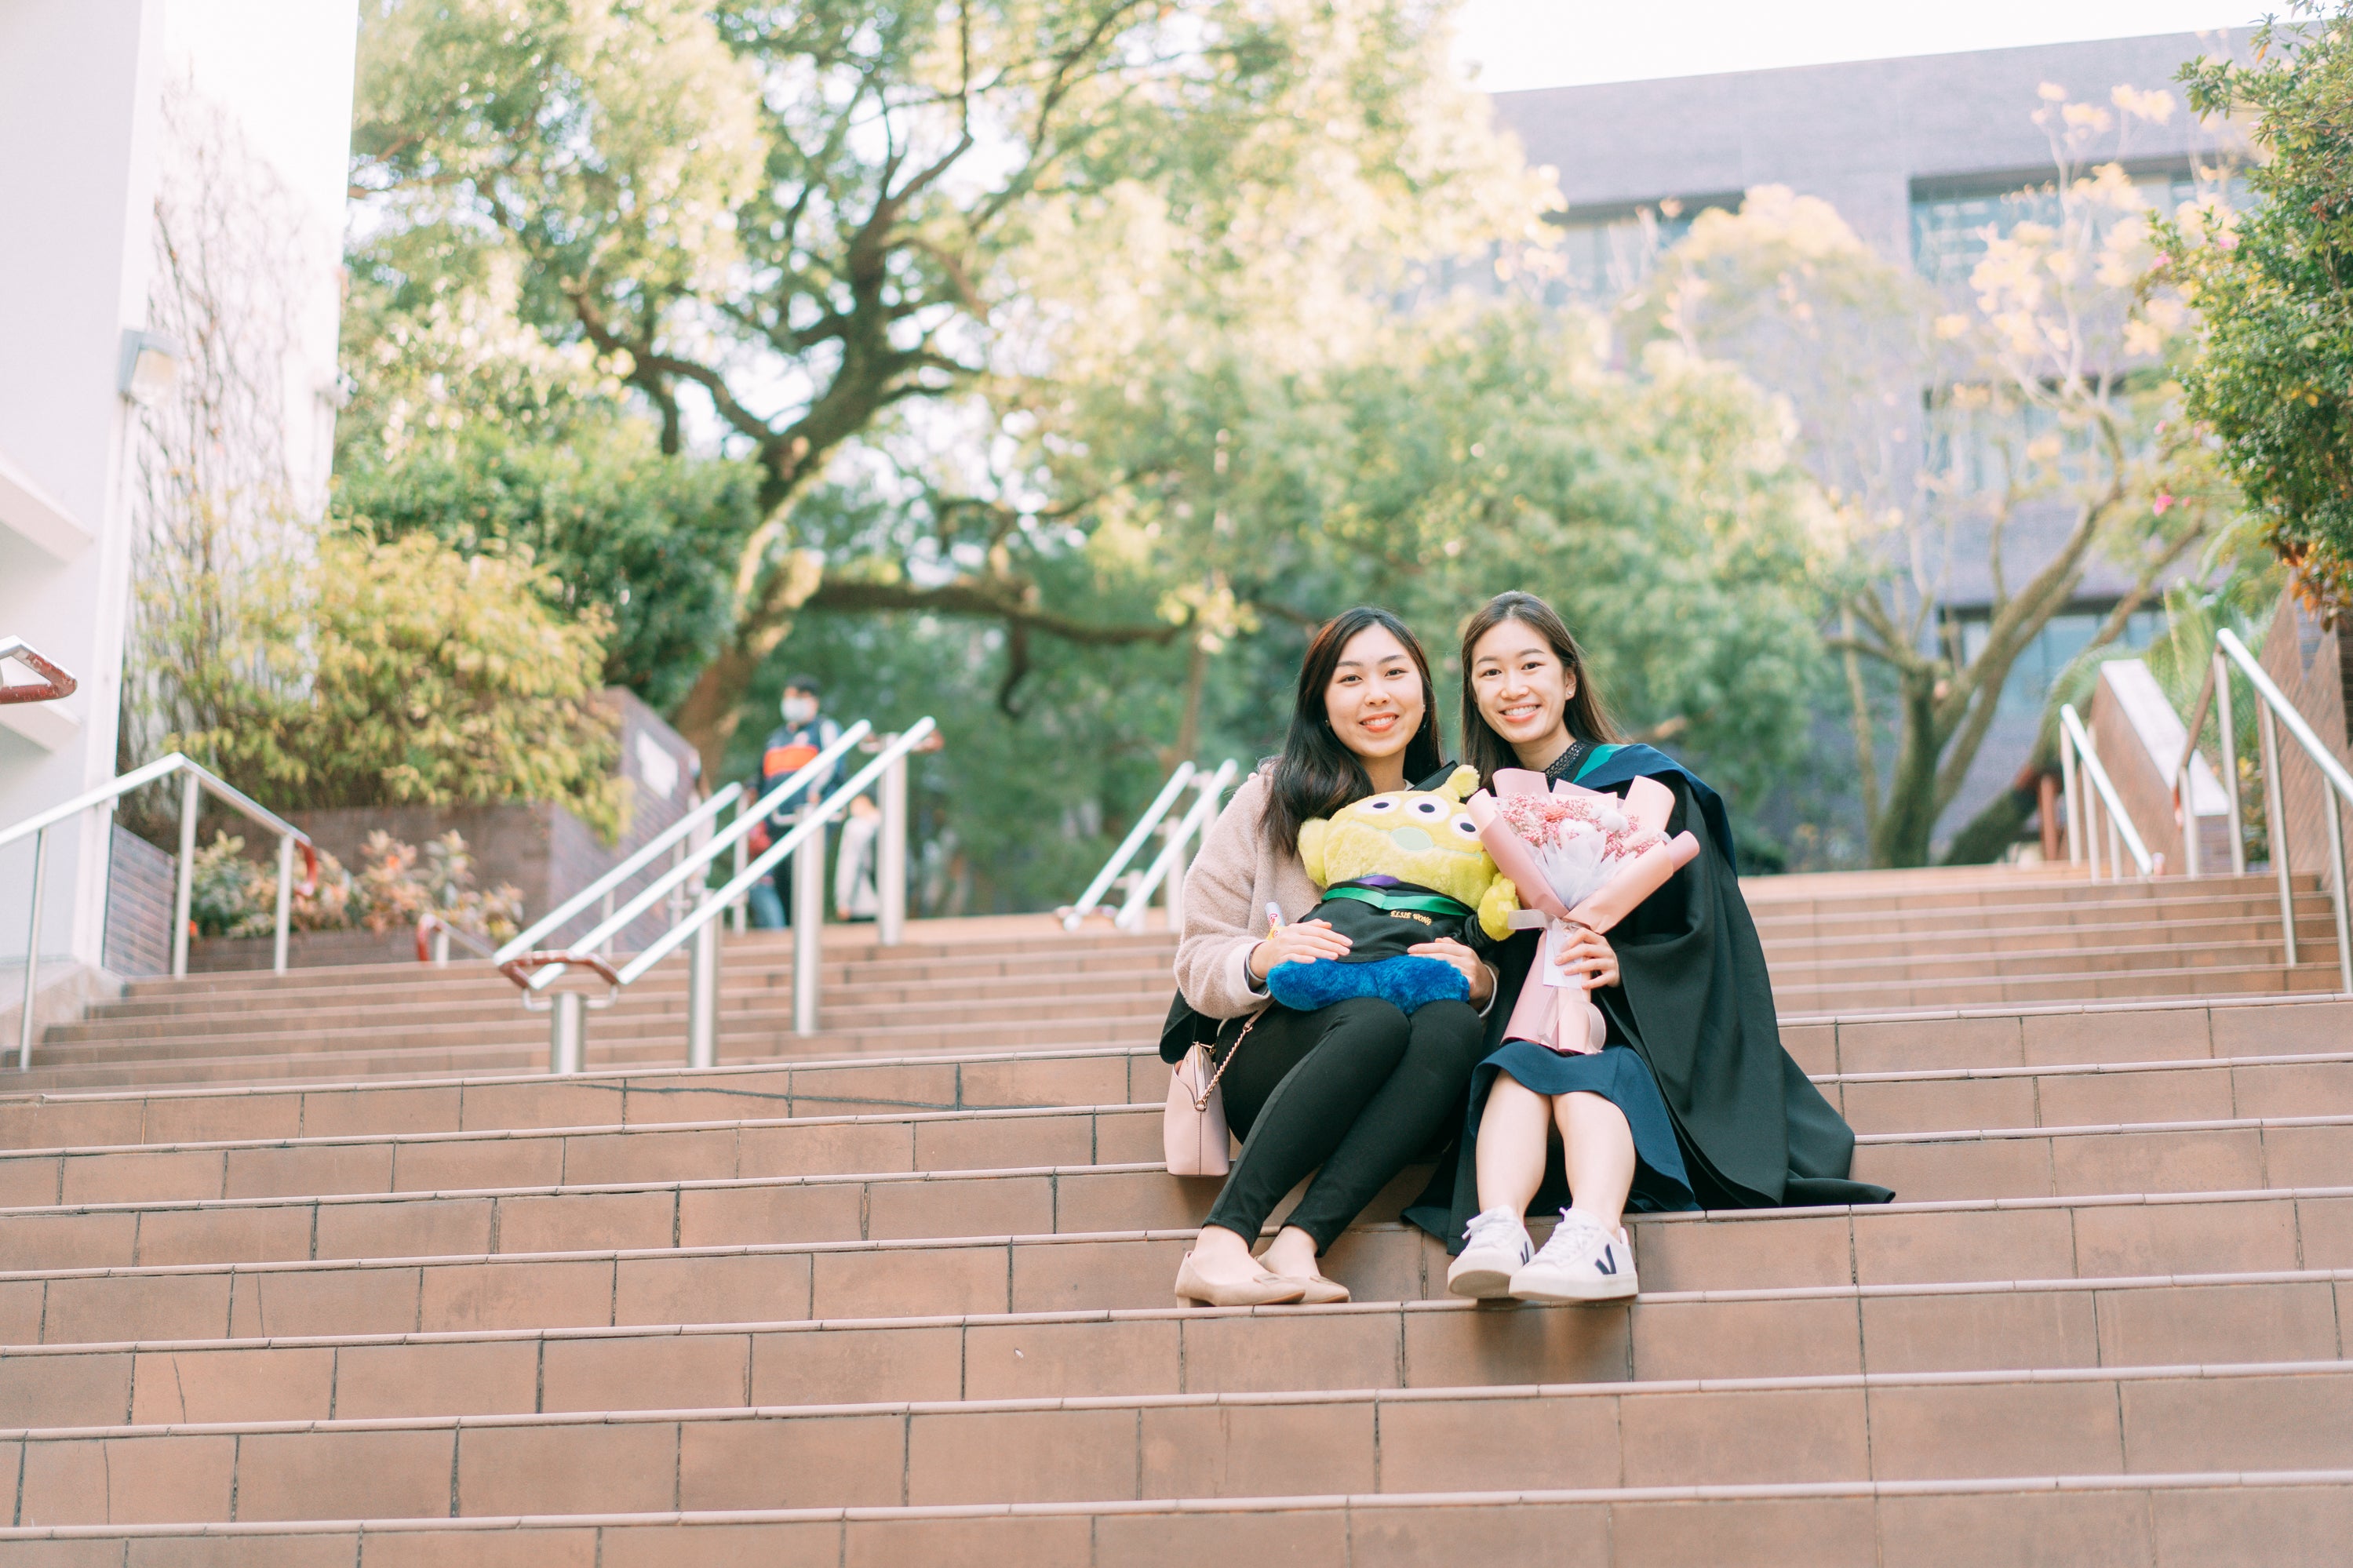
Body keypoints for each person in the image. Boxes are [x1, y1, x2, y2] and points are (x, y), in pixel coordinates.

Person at [1404, 591, 1893, 1303]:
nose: (1512, 688)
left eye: (1530, 664)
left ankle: (1596, 1237)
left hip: (1642, 1030)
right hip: (1515, 1023)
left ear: (1568, 677)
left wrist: (1623, 966)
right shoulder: (1463, 807)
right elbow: (1462, 922)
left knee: (1578, 1066)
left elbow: (1710, 937)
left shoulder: (1646, 783)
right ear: (1471, 689)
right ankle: (1500, 1230)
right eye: (1489, 672)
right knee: (1520, 1062)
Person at [1170, 606, 1498, 1308]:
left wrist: (1483, 978)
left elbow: (1509, 936)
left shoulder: (1469, 812)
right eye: (1350, 678)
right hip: (1280, 1054)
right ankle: (1219, 1243)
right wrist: (1264, 956)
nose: (1375, 694)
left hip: (1417, 1074)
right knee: (1375, 1016)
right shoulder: (1270, 799)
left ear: (1422, 690)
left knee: (1451, 1024)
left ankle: (1298, 1244)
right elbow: (1197, 954)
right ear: (1321, 700)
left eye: (1392, 673)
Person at [746, 676, 841, 930]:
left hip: (809, 820)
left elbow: (833, 766)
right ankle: (788, 934)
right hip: (777, 822)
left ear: (811, 700)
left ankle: (805, 933)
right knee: (781, 881)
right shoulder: (776, 738)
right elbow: (760, 778)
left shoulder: (824, 729)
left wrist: (815, 793)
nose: (789, 703)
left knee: (805, 879)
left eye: (795, 697)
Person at [834, 792, 881, 922]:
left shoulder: (855, 827)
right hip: (887, 904)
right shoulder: (889, 826)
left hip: (861, 903)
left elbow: (849, 865)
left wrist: (843, 901)